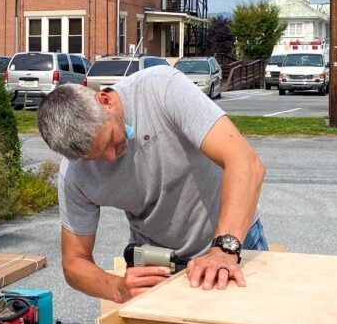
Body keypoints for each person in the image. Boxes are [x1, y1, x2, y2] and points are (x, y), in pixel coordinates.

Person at [37, 65, 267, 304]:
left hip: (233, 243)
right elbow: (74, 262)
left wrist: (224, 251)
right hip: (158, 264)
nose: (111, 157)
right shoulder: (75, 174)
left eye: (110, 141)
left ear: (106, 101)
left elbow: (246, 163)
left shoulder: (161, 89)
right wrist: (117, 288)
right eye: (96, 157)